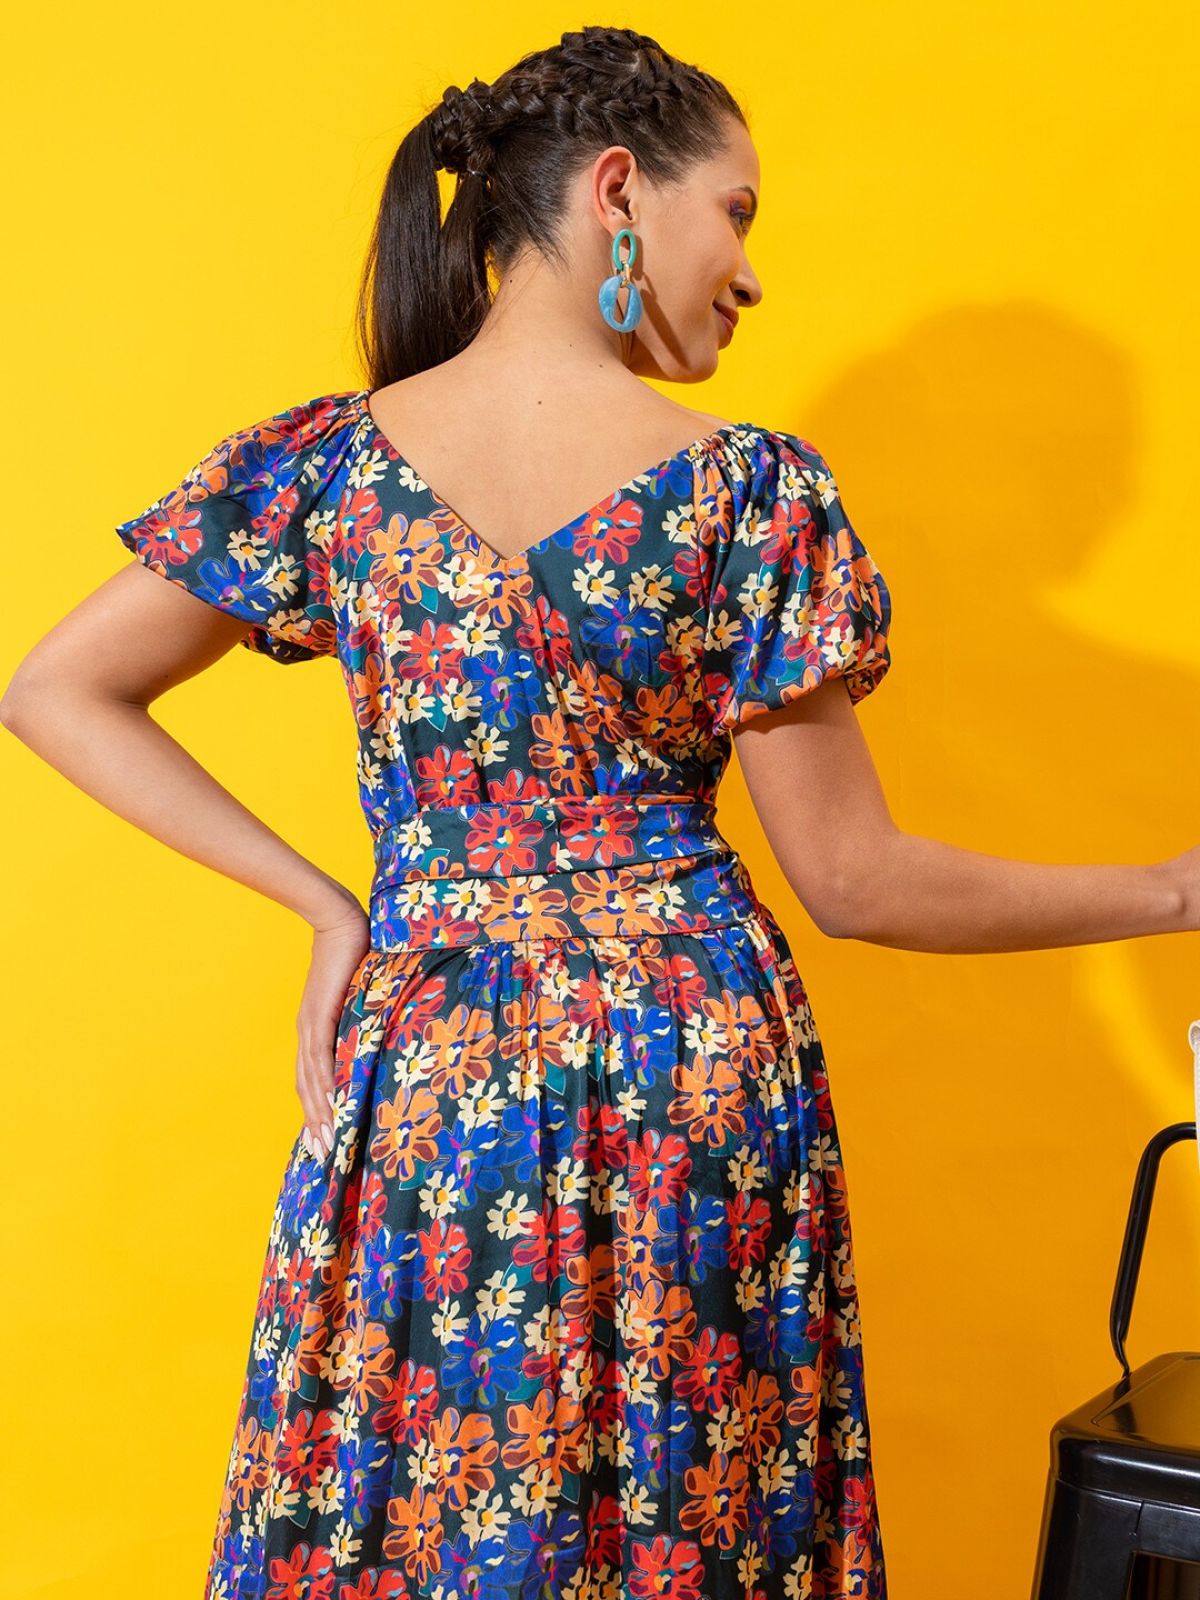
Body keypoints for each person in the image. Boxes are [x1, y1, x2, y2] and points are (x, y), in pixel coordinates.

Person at [3, 23, 1197, 1600]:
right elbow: (856, 881)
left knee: (424, 1510)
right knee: (688, 1516)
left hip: (427, 1069)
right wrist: (1176, 891)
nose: (751, 272)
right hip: (689, 1071)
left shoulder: (329, 469)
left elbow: (54, 689)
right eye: (738, 212)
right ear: (620, 189)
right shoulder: (746, 491)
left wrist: (333, 906)